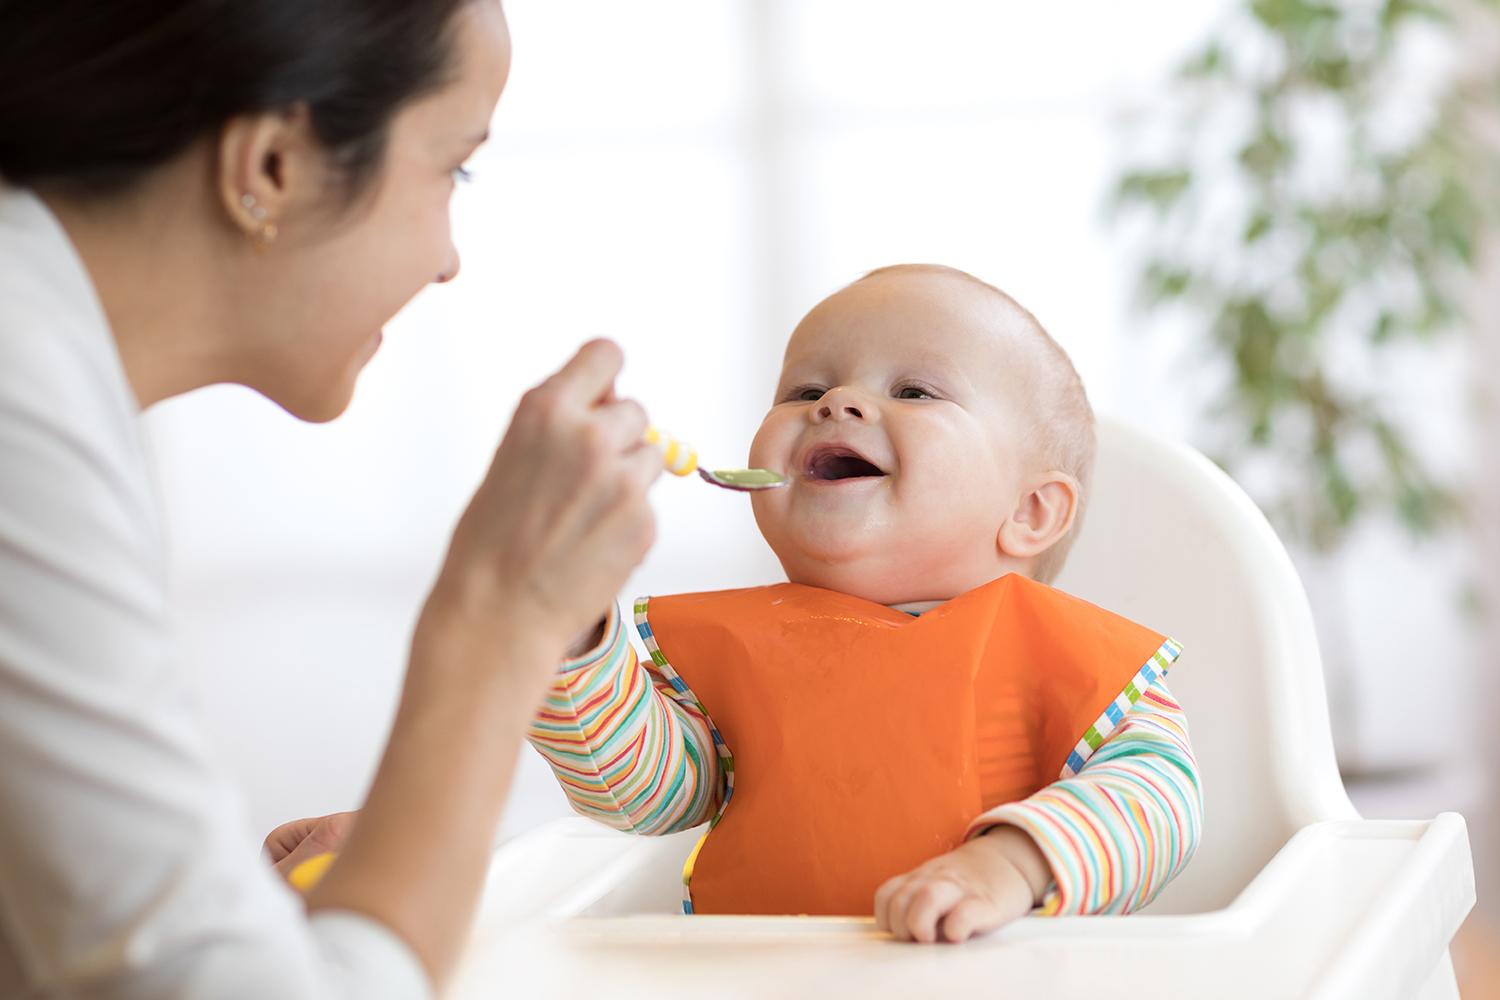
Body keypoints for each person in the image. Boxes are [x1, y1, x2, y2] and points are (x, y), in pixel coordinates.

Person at [0, 2, 661, 997]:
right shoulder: (23, 396)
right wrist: (500, 620)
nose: (450, 260)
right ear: (272, 166)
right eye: (455, 168)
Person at [527, 264, 1203, 943]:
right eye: (807, 388)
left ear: (1029, 510)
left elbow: (1159, 801)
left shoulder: (1065, 663)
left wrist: (1008, 865)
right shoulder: (746, 658)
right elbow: (644, 794)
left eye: (913, 390)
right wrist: (571, 627)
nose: (837, 402)